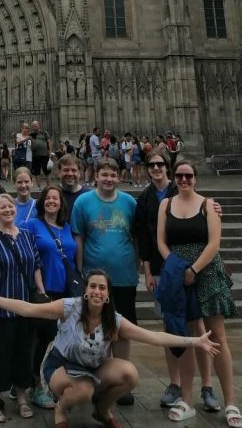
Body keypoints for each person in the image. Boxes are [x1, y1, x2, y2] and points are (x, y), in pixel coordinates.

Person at [0, 270, 220, 428]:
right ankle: (61, 410)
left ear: (107, 294)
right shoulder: (69, 307)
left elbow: (153, 337)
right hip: (61, 366)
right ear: (86, 290)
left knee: (130, 374)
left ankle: (102, 409)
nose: (97, 291)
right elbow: (27, 308)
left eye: (102, 287)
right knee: (83, 390)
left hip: (92, 367)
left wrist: (195, 341)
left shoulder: (114, 320)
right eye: (93, 286)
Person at [157, 159, 240, 426]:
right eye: (179, 176)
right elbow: (161, 241)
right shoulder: (165, 205)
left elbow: (214, 243)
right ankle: (187, 401)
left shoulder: (208, 205)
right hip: (178, 272)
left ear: (195, 178)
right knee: (186, 337)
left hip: (205, 271)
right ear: (174, 178)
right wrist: (176, 267)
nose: (183, 180)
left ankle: (230, 403)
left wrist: (193, 269)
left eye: (188, 176)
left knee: (218, 336)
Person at [135, 151, 220, 412]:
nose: (157, 168)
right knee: (171, 328)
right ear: (147, 169)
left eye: (161, 164)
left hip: (195, 269)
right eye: (152, 165)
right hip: (166, 271)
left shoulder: (181, 189)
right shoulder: (146, 198)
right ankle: (175, 385)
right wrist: (148, 271)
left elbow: (204, 217)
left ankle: (206, 386)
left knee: (198, 329)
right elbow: (145, 237)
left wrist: (215, 208)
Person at [71, 157, 138, 397]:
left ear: (118, 177)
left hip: (124, 276)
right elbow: (78, 237)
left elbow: (138, 235)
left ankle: (120, 377)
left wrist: (139, 266)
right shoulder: (83, 202)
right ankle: (94, 376)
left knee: (122, 330)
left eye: (112, 175)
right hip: (93, 279)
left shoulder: (130, 202)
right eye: (104, 174)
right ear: (95, 175)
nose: (108, 179)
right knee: (93, 328)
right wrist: (80, 270)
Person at [0, 193, 46, 422]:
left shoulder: (26, 236)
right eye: (2, 207)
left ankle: (22, 397)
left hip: (25, 306)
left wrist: (41, 293)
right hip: (1, 307)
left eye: (10, 206)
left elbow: (36, 264)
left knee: (22, 353)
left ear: (16, 210)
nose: (7, 210)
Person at [23, 186, 78, 409]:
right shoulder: (32, 224)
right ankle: (35, 384)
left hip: (64, 290)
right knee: (41, 338)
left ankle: (49, 383)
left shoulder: (66, 227)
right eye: (48, 198)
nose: (51, 201)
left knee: (57, 340)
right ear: (42, 202)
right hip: (42, 291)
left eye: (55, 198)